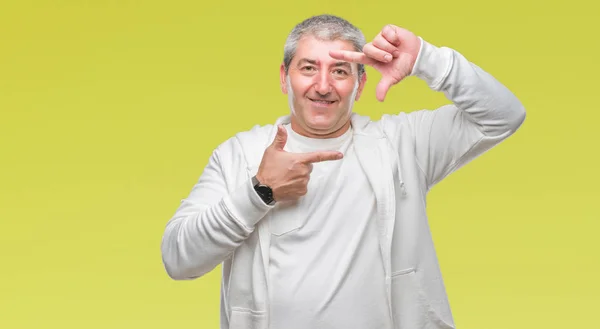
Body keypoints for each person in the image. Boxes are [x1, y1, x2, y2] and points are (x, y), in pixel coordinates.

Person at [160, 14, 526, 329]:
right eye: (308, 68)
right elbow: (178, 259)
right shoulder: (239, 155)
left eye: (340, 70)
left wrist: (426, 60)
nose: (323, 86)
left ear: (360, 84)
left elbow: (504, 116)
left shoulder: (402, 144)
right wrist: (259, 192)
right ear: (285, 78)